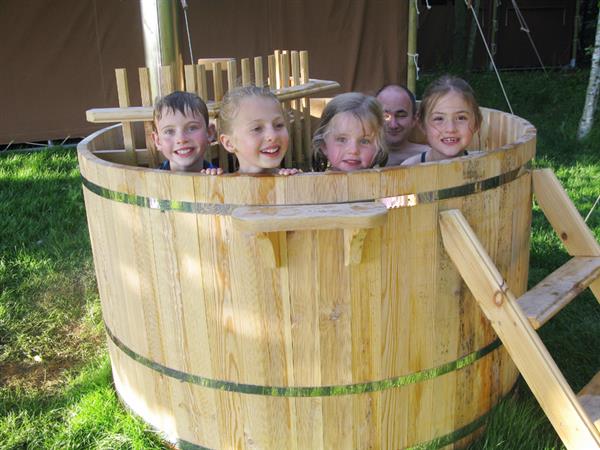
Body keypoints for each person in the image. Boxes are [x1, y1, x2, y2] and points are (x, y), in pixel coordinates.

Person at [402, 75, 482, 166]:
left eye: (461, 118)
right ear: (422, 124)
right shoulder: (408, 169)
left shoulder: (486, 166)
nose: (450, 129)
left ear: (477, 123)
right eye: (439, 118)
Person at [218, 86, 299, 175]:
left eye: (279, 125)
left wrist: (296, 183)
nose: (273, 136)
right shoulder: (220, 185)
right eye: (257, 129)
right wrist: (211, 181)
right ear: (229, 143)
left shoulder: (293, 182)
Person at [312, 92, 387, 172]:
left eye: (364, 141)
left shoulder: (386, 183)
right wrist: (297, 180)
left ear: (378, 148)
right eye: (342, 139)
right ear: (324, 146)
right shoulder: (309, 183)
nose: (353, 150)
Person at [152, 91, 222, 174]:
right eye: (169, 131)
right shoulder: (150, 184)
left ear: (209, 133)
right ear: (157, 141)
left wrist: (214, 183)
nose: (181, 139)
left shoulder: (221, 181)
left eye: (192, 128)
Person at [376, 84, 428, 165]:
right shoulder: (358, 157)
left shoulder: (430, 157)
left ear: (414, 119)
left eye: (401, 116)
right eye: (385, 116)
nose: (393, 125)